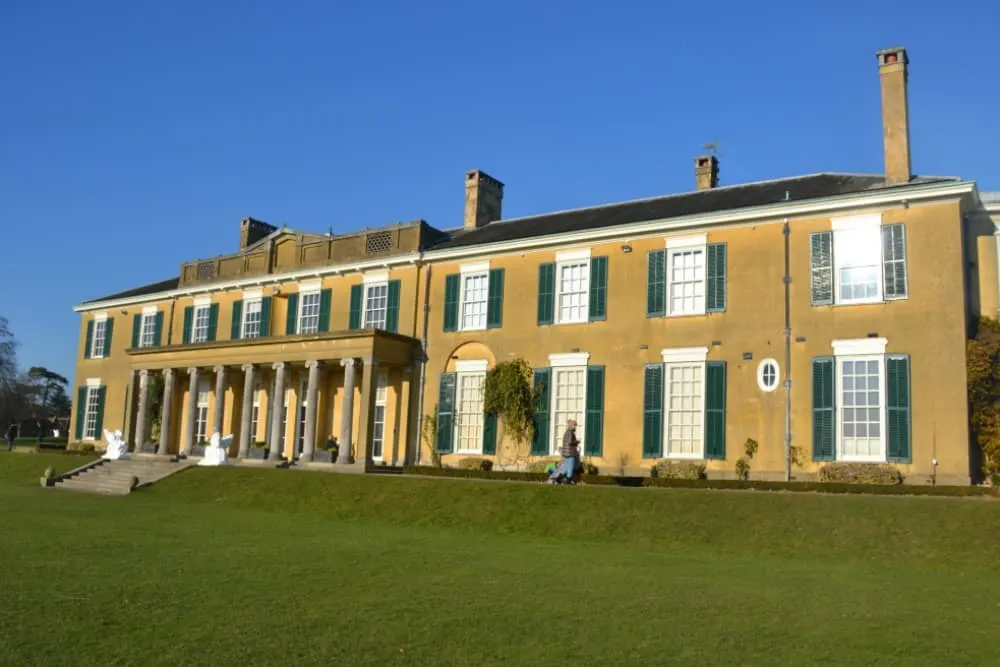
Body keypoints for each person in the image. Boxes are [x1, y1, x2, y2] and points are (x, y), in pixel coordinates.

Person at [558, 419, 580, 483]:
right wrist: (577, 442)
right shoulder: (570, 432)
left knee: (566, 467)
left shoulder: (567, 432)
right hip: (570, 453)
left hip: (566, 453)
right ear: (571, 426)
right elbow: (570, 442)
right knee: (570, 469)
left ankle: (561, 478)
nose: (576, 427)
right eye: (575, 425)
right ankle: (567, 479)